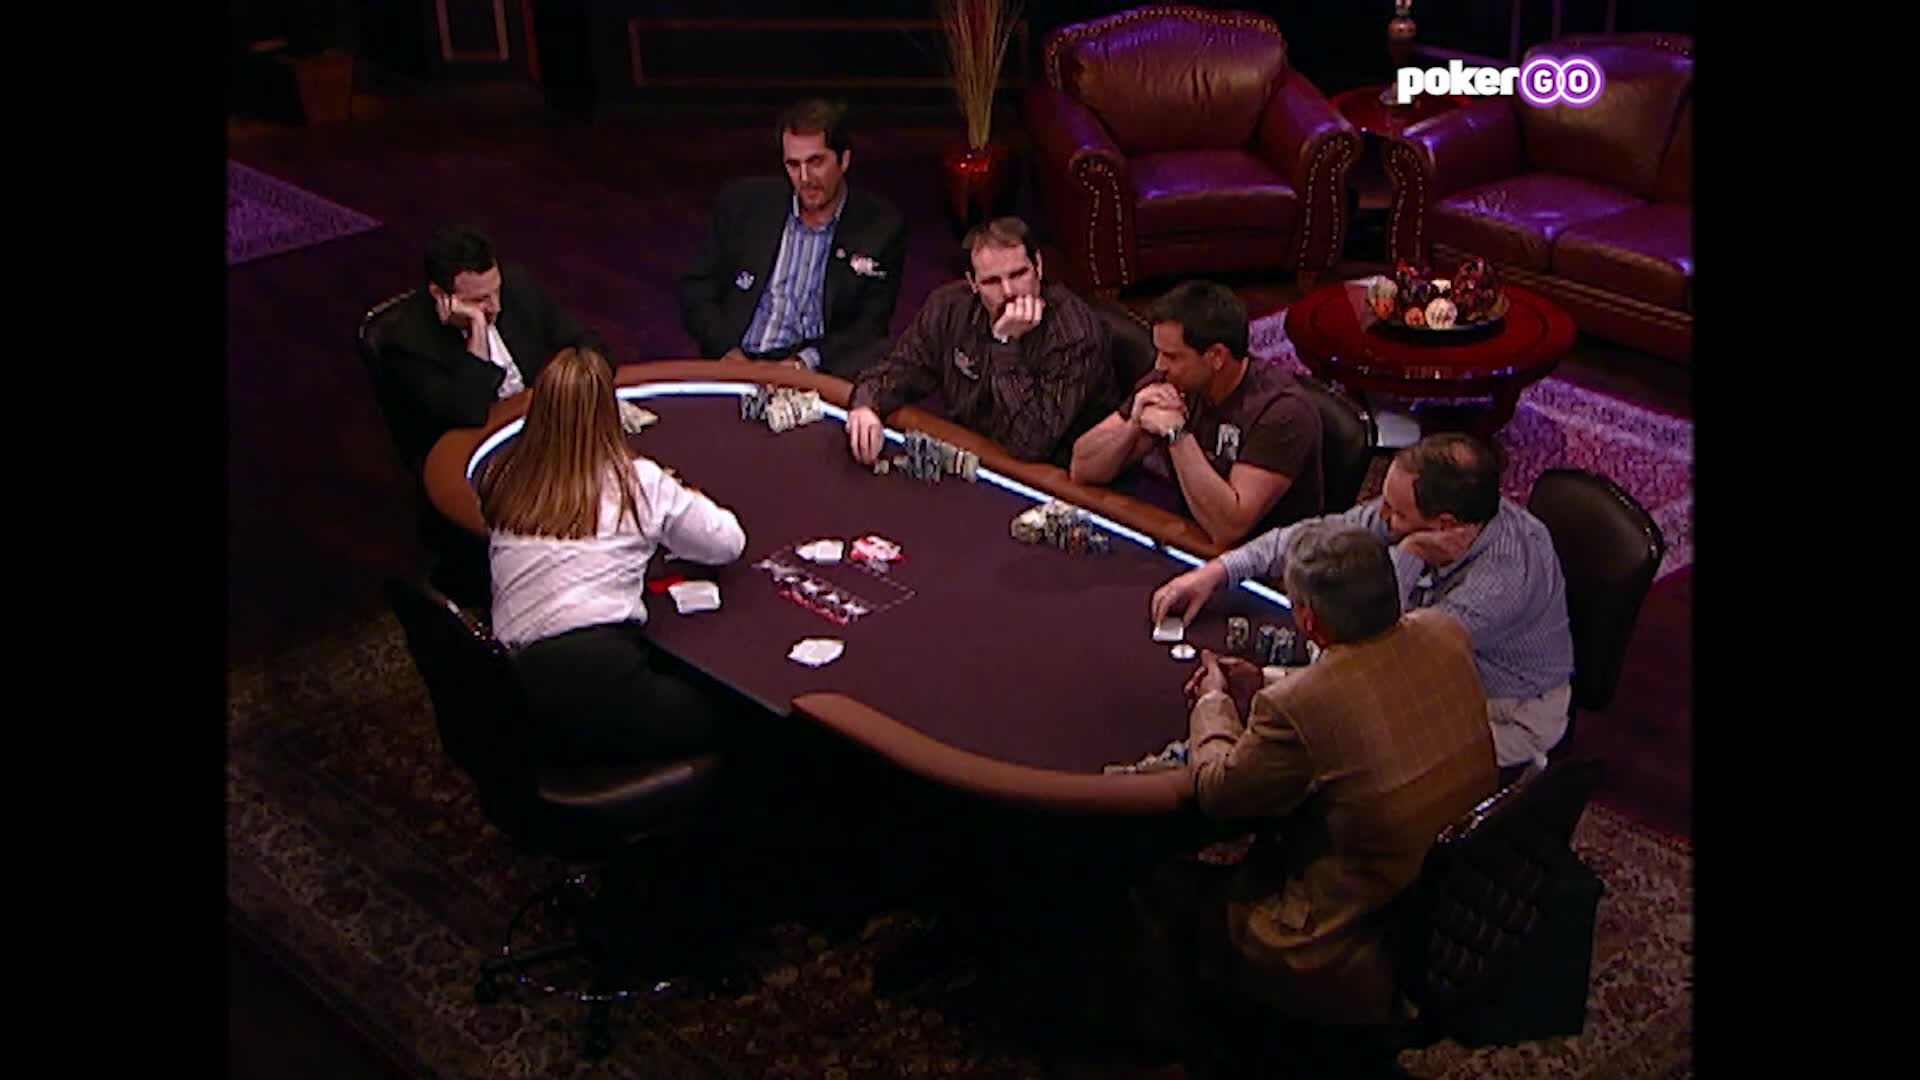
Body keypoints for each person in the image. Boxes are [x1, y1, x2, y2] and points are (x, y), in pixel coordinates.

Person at [1160, 522, 1498, 1032]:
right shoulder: (1444, 631)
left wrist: (1214, 703)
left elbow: (1217, 793)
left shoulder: (1294, 708)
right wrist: (1268, 677)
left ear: (1309, 621)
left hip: (1341, 937)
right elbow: (1368, 679)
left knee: (1161, 886)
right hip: (1456, 906)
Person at [1148, 432, 1575, 768]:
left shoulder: (1503, 579)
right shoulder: (1416, 514)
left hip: (1506, 711)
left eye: (1396, 512)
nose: (1382, 517)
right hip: (1430, 673)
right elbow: (1317, 538)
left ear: (1443, 526)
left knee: (1346, 745)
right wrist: (1218, 571)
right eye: (1384, 501)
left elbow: (1389, 649)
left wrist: (1409, 554)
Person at [475, 346, 749, 767]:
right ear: (608, 414)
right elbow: (728, 542)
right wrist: (685, 499)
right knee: (743, 719)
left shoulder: (506, 475)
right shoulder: (638, 483)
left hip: (514, 689)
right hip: (600, 687)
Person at [1068, 280, 1324, 545]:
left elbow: (1228, 528)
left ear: (1216, 357)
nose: (1159, 365)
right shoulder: (1169, 381)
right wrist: (1132, 424)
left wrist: (1177, 435)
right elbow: (1082, 467)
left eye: (1172, 356)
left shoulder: (1282, 411)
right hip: (1193, 538)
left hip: (1274, 561)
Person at [845, 216, 1111, 466]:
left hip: (1051, 480)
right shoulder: (950, 307)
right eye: (992, 281)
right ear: (972, 283)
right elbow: (901, 369)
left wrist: (1005, 345)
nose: (1009, 291)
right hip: (971, 460)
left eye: (1018, 274)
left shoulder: (1075, 333)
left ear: (1038, 266)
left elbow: (1031, 443)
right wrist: (868, 403)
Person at [678, 98, 908, 377]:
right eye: (793, 165)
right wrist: (727, 351)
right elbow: (696, 289)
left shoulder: (880, 227)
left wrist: (803, 363)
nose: (805, 178)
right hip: (737, 362)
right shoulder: (742, 204)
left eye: (816, 162)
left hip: (814, 373)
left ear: (843, 160)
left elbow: (869, 329)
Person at [373, 224, 608, 476]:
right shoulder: (406, 344)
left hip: (543, 427)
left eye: (496, 291)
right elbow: (469, 412)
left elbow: (586, 342)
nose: (496, 307)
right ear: (440, 294)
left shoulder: (517, 286)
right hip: (479, 456)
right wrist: (477, 328)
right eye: (479, 299)